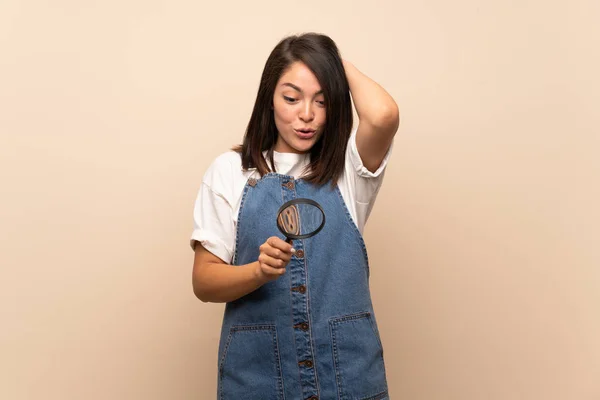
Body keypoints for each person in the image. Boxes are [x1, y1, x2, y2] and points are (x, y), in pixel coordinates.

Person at [190, 32, 399, 400]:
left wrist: (333, 65)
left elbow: (383, 115)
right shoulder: (229, 171)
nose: (307, 115)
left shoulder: (348, 171)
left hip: (349, 378)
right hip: (258, 380)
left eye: (322, 100)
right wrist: (257, 271)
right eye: (292, 97)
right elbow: (204, 281)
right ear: (269, 98)